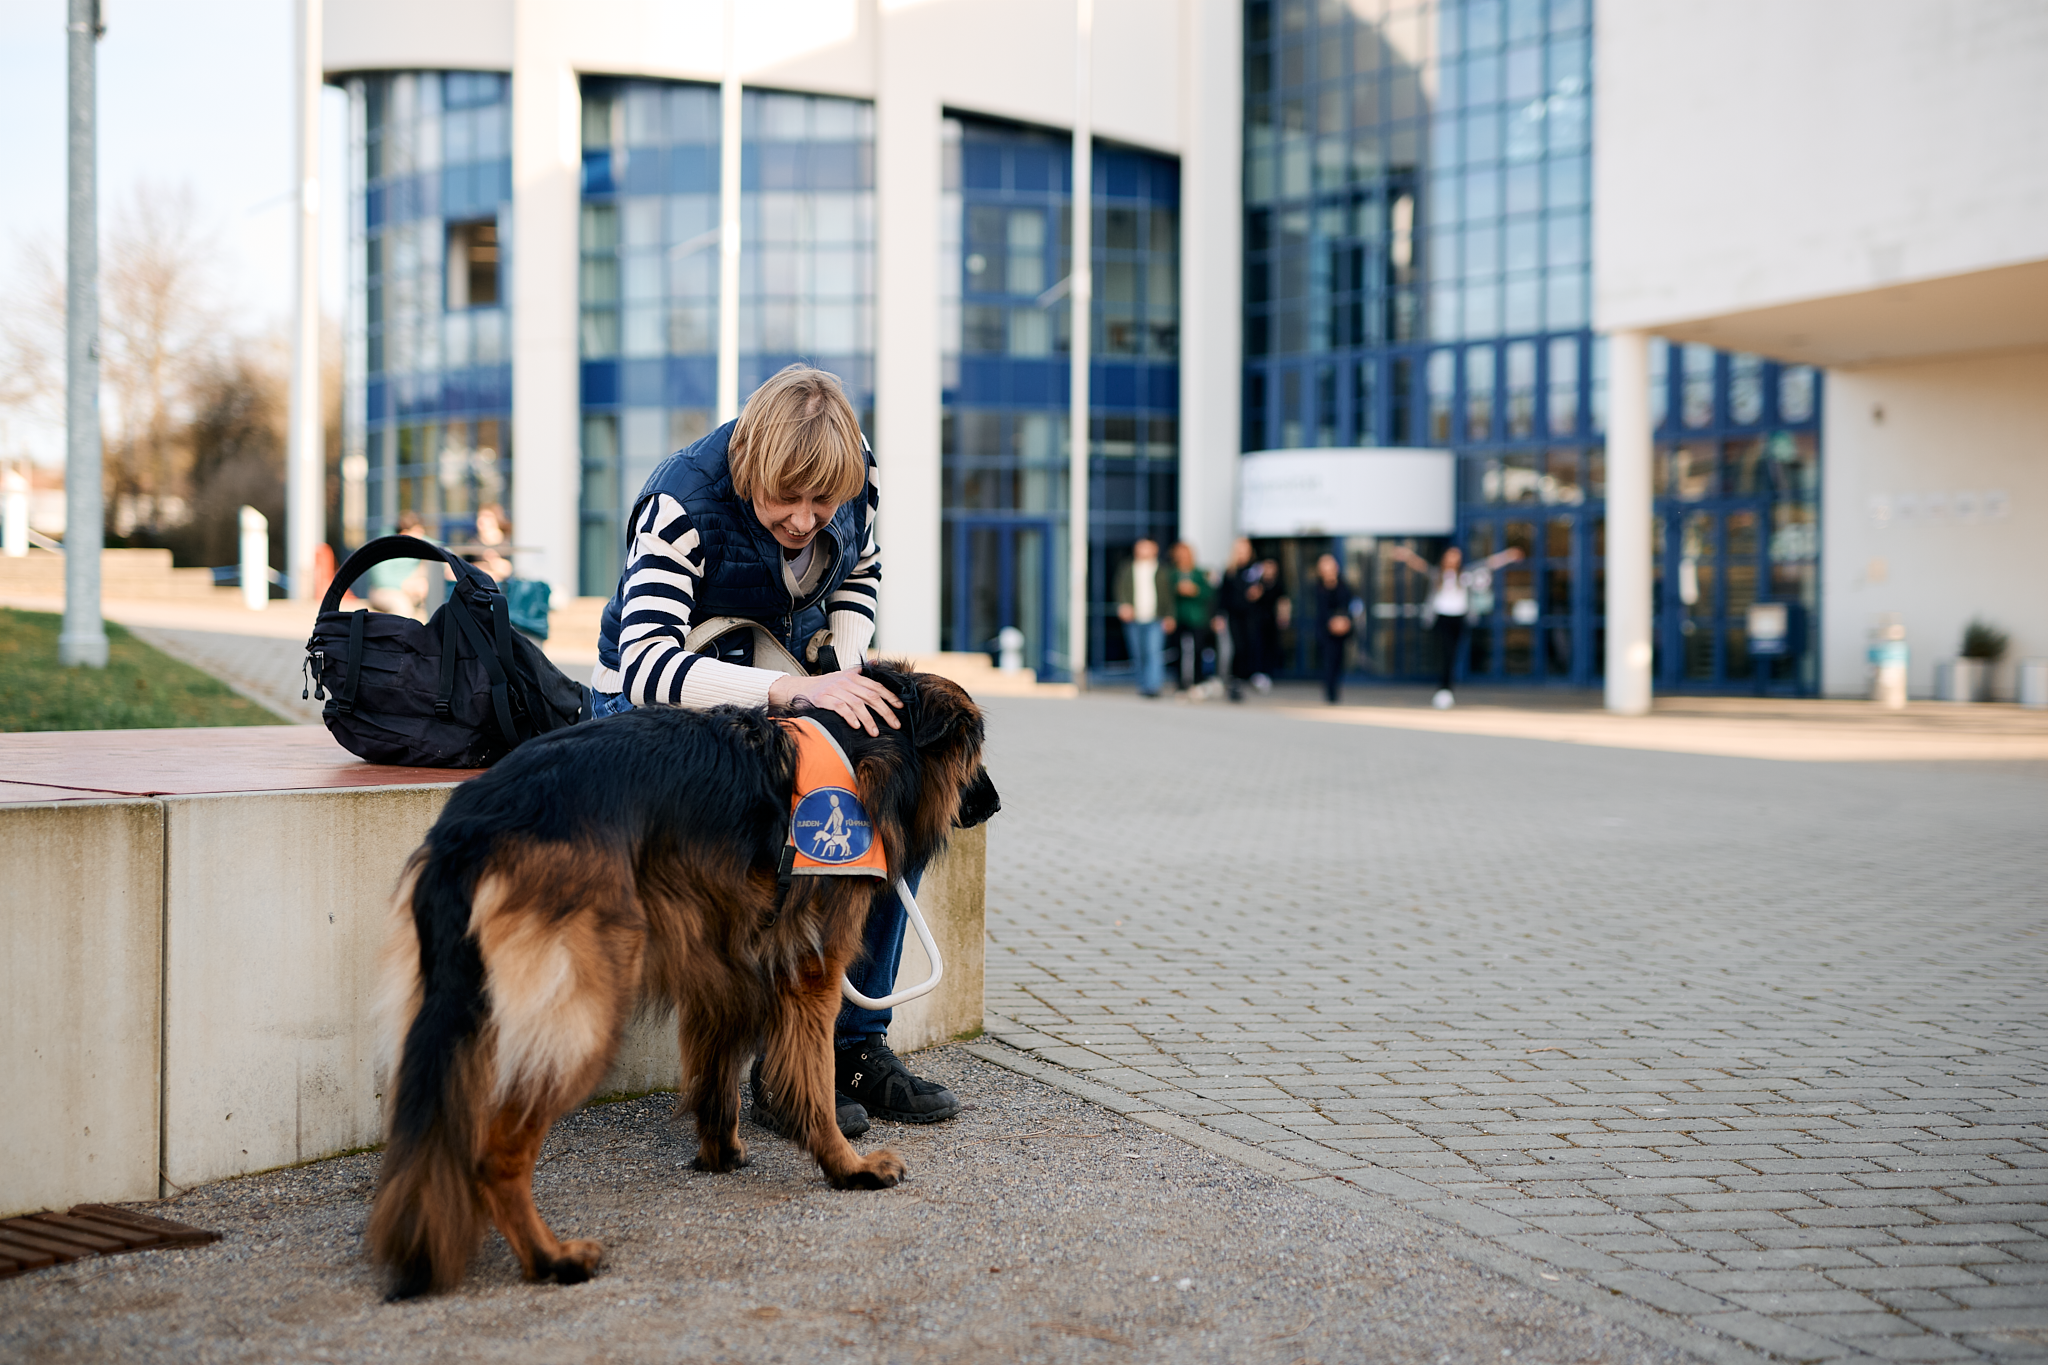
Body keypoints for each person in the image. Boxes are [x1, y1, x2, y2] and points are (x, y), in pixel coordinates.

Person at [587, 363, 959, 1137]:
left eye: (821, 501)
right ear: (749, 465)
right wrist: (796, 694)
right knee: (780, 815)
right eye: (783, 499)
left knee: (901, 797)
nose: (802, 519)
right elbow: (647, 668)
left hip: (778, 678)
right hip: (653, 706)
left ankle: (852, 1046)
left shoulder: (854, 478)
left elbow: (861, 567)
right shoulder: (680, 503)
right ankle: (782, 1062)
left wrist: (847, 668)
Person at [1387, 541, 1525, 708]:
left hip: (1459, 619)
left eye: (1456, 556)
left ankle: (1446, 690)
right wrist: (1406, 554)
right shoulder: (1438, 575)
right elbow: (1421, 565)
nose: (1453, 559)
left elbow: (1488, 563)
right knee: (1445, 653)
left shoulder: (1466, 575)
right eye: (1450, 556)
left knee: (1452, 655)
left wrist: (1508, 555)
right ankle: (1443, 690)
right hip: (1442, 618)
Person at [1113, 538, 1172, 698]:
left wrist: (1170, 616)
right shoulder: (1127, 569)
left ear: (1155, 549)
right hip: (1134, 618)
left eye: (1146, 547)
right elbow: (1120, 589)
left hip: (1155, 618)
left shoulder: (1162, 570)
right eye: (1140, 547)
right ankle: (1143, 685)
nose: (1142, 550)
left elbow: (1169, 596)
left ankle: (1153, 687)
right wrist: (1123, 605)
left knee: (1153, 652)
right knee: (1138, 653)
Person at [1216, 537, 1265, 703]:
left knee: (1250, 646)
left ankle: (1250, 677)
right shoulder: (1230, 571)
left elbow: (1268, 590)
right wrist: (1219, 616)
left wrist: (1259, 592)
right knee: (1238, 647)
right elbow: (1222, 596)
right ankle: (1234, 682)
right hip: (1234, 615)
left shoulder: (1256, 570)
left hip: (1251, 616)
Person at [1166, 540, 1218, 692]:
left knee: (1198, 649)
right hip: (1179, 617)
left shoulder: (1201, 573)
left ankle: (1197, 680)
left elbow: (1210, 594)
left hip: (1197, 617)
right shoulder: (1171, 574)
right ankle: (1180, 680)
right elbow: (1167, 596)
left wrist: (1195, 591)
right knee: (1178, 650)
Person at [1312, 552, 1362, 705]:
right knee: (1328, 661)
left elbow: (1352, 606)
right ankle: (1330, 693)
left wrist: (1345, 621)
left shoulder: (1344, 586)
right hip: (1326, 631)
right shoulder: (1317, 588)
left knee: (1339, 661)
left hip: (1342, 632)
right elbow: (1319, 611)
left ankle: (1336, 690)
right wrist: (1331, 622)